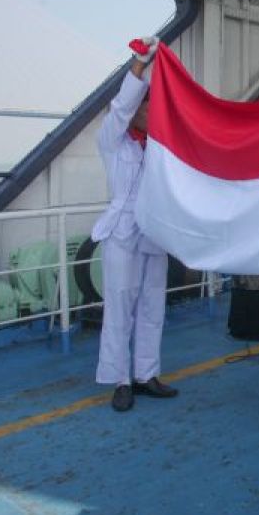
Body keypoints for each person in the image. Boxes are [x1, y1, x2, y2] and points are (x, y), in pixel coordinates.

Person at [92, 36, 178, 412]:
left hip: (154, 232)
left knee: (152, 307)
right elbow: (121, 107)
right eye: (148, 105)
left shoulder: (161, 147)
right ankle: (121, 380)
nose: (152, 110)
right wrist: (141, 65)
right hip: (122, 234)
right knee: (119, 307)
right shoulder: (112, 140)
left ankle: (146, 374)